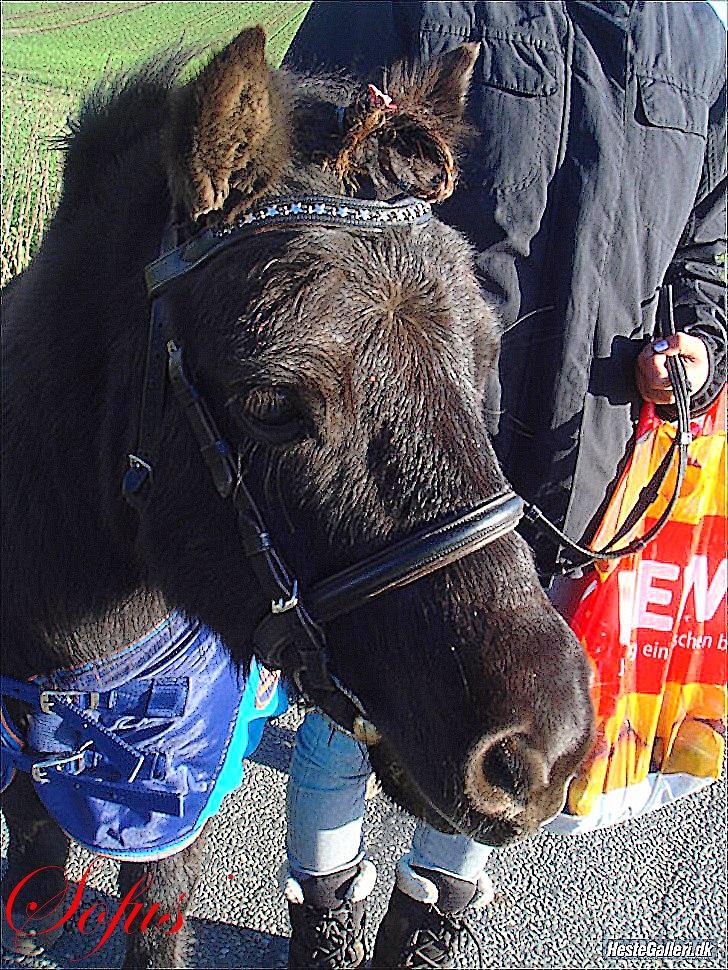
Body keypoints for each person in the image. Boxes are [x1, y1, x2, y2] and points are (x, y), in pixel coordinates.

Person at [280, 3, 727, 967]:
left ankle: (431, 909)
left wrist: (702, 340)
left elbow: (713, 239)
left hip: (583, 456)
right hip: (408, 456)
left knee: (511, 714)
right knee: (349, 707)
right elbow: (296, 165)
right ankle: (325, 912)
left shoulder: (699, 37)